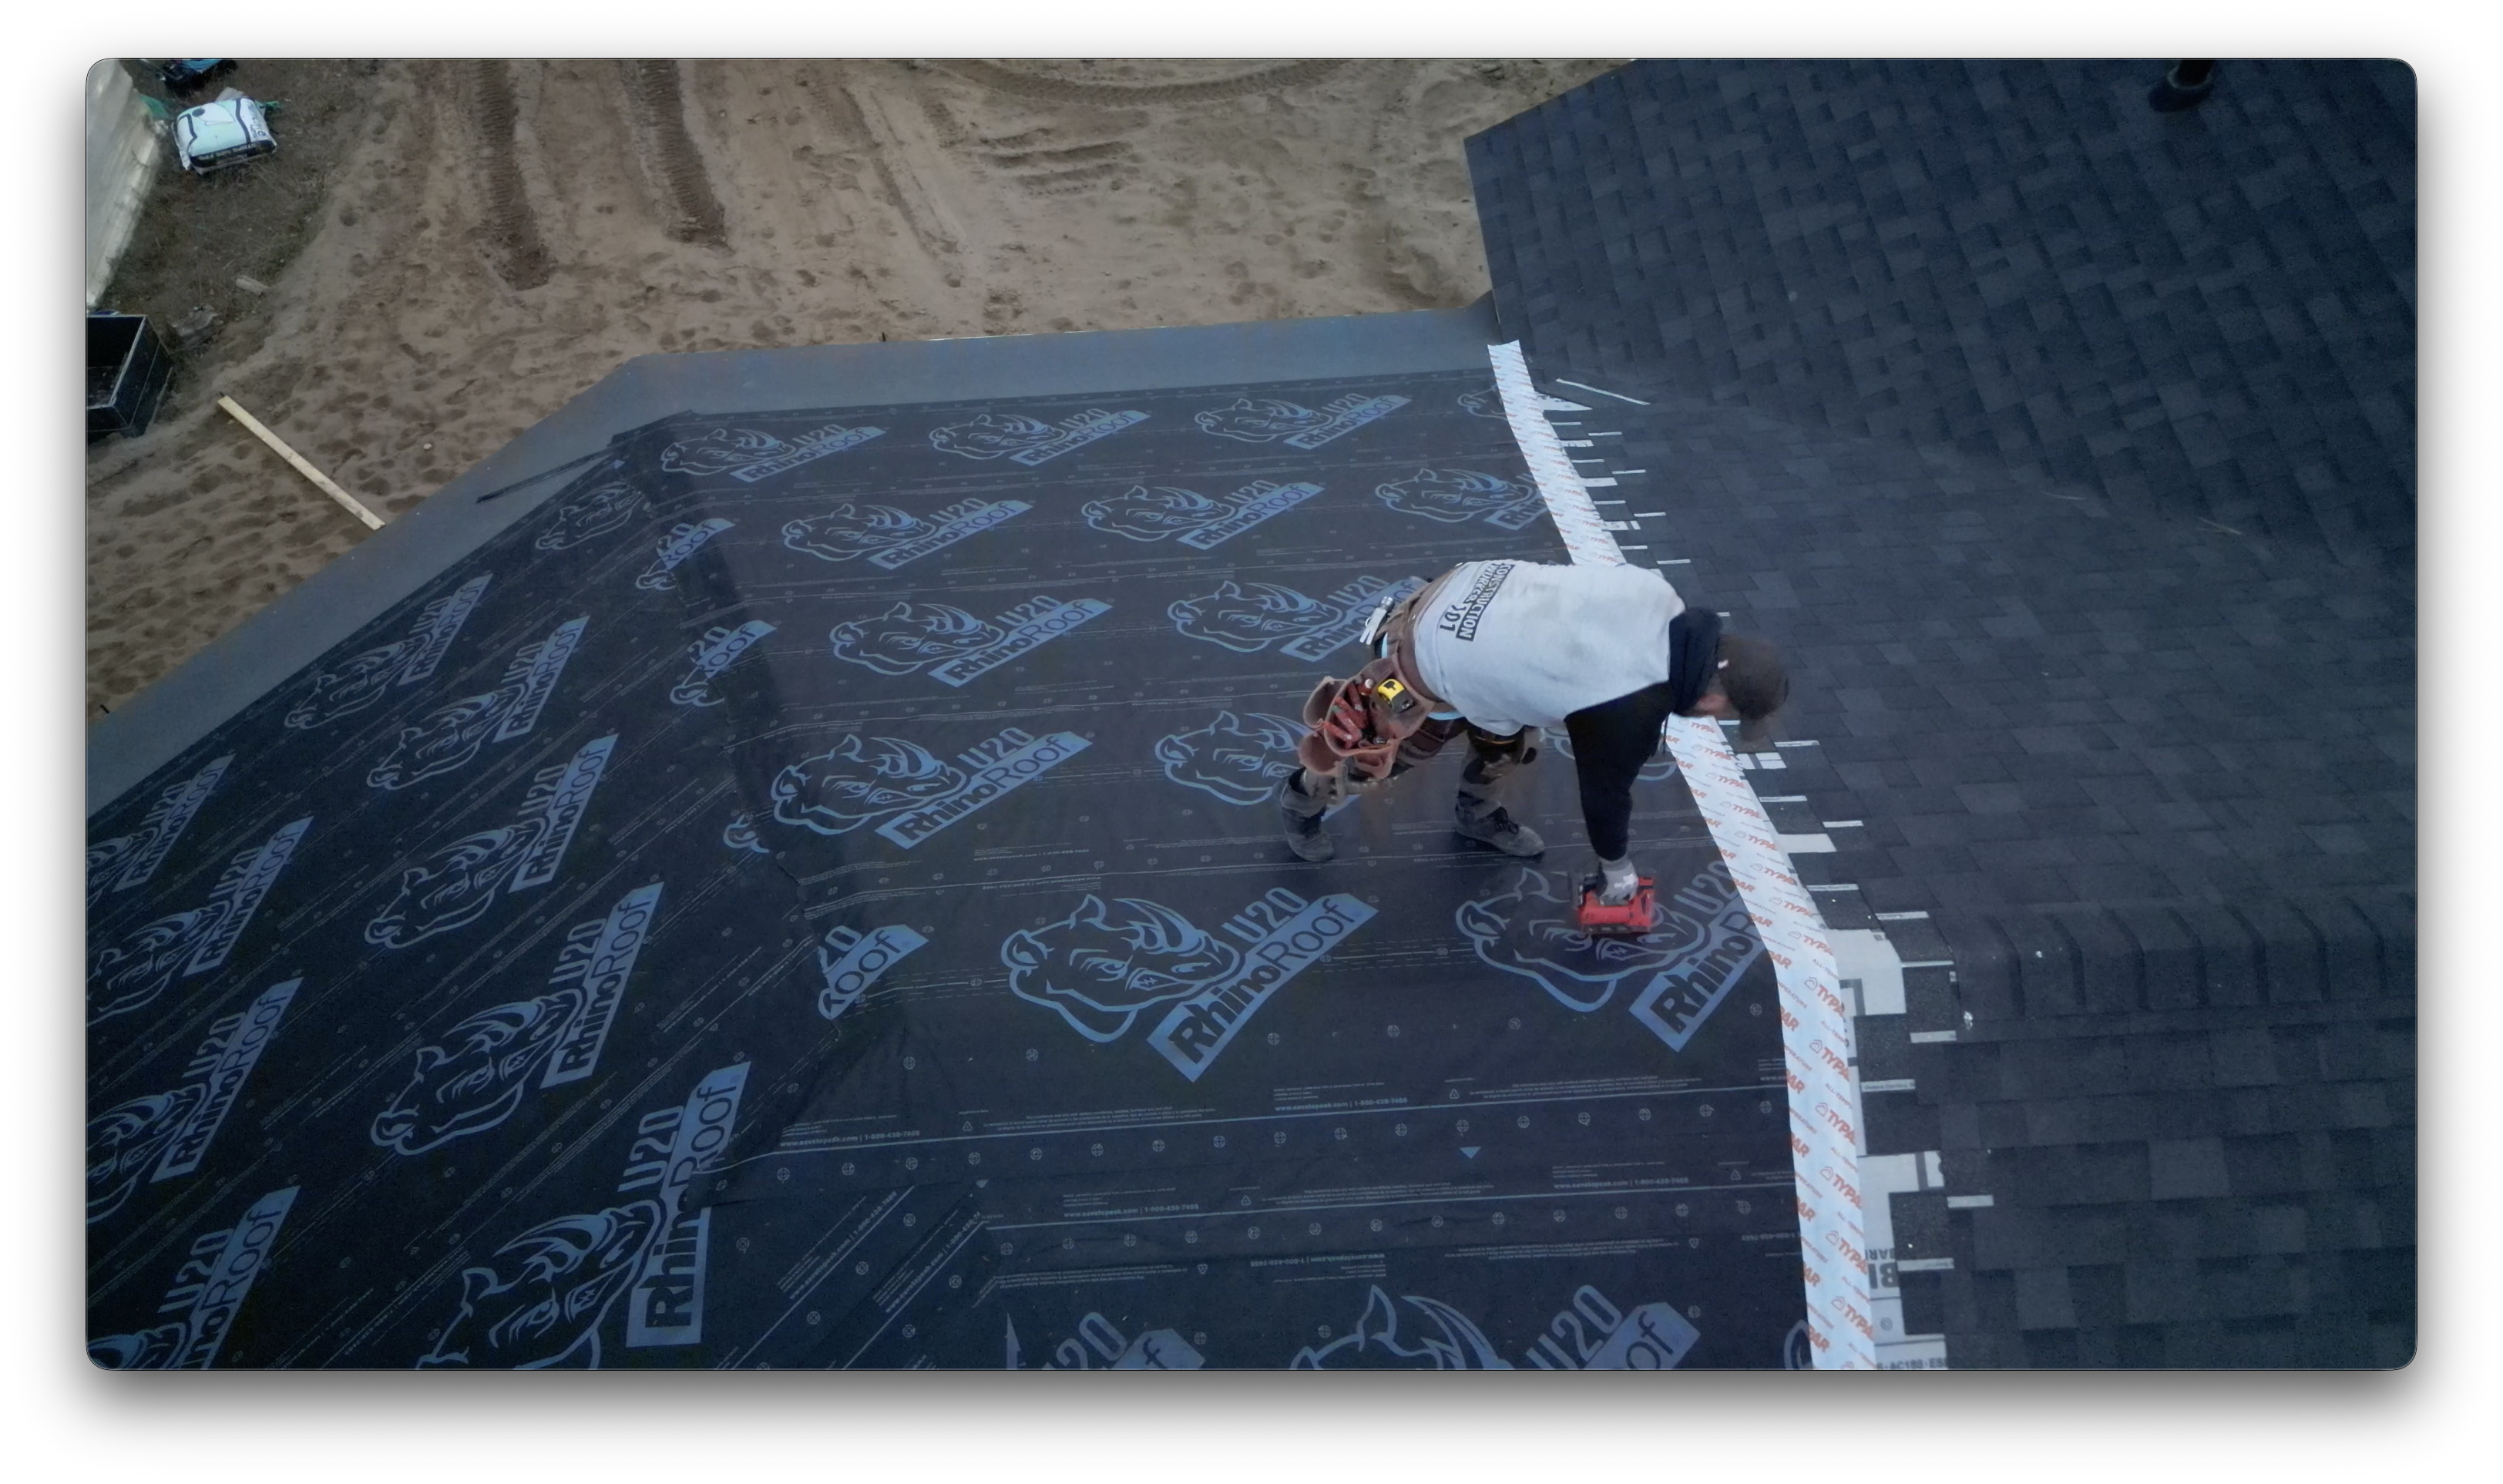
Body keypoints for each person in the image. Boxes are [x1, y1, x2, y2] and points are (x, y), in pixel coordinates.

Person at [1275, 559, 1788, 905]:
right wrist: (1617, 871)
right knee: (1379, 758)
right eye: (1727, 716)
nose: (1719, 722)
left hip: (1466, 588)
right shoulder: (1627, 705)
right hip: (1419, 659)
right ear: (1714, 697)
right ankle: (1301, 800)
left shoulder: (1658, 593)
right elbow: (1605, 798)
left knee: (1509, 740)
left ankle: (1476, 816)